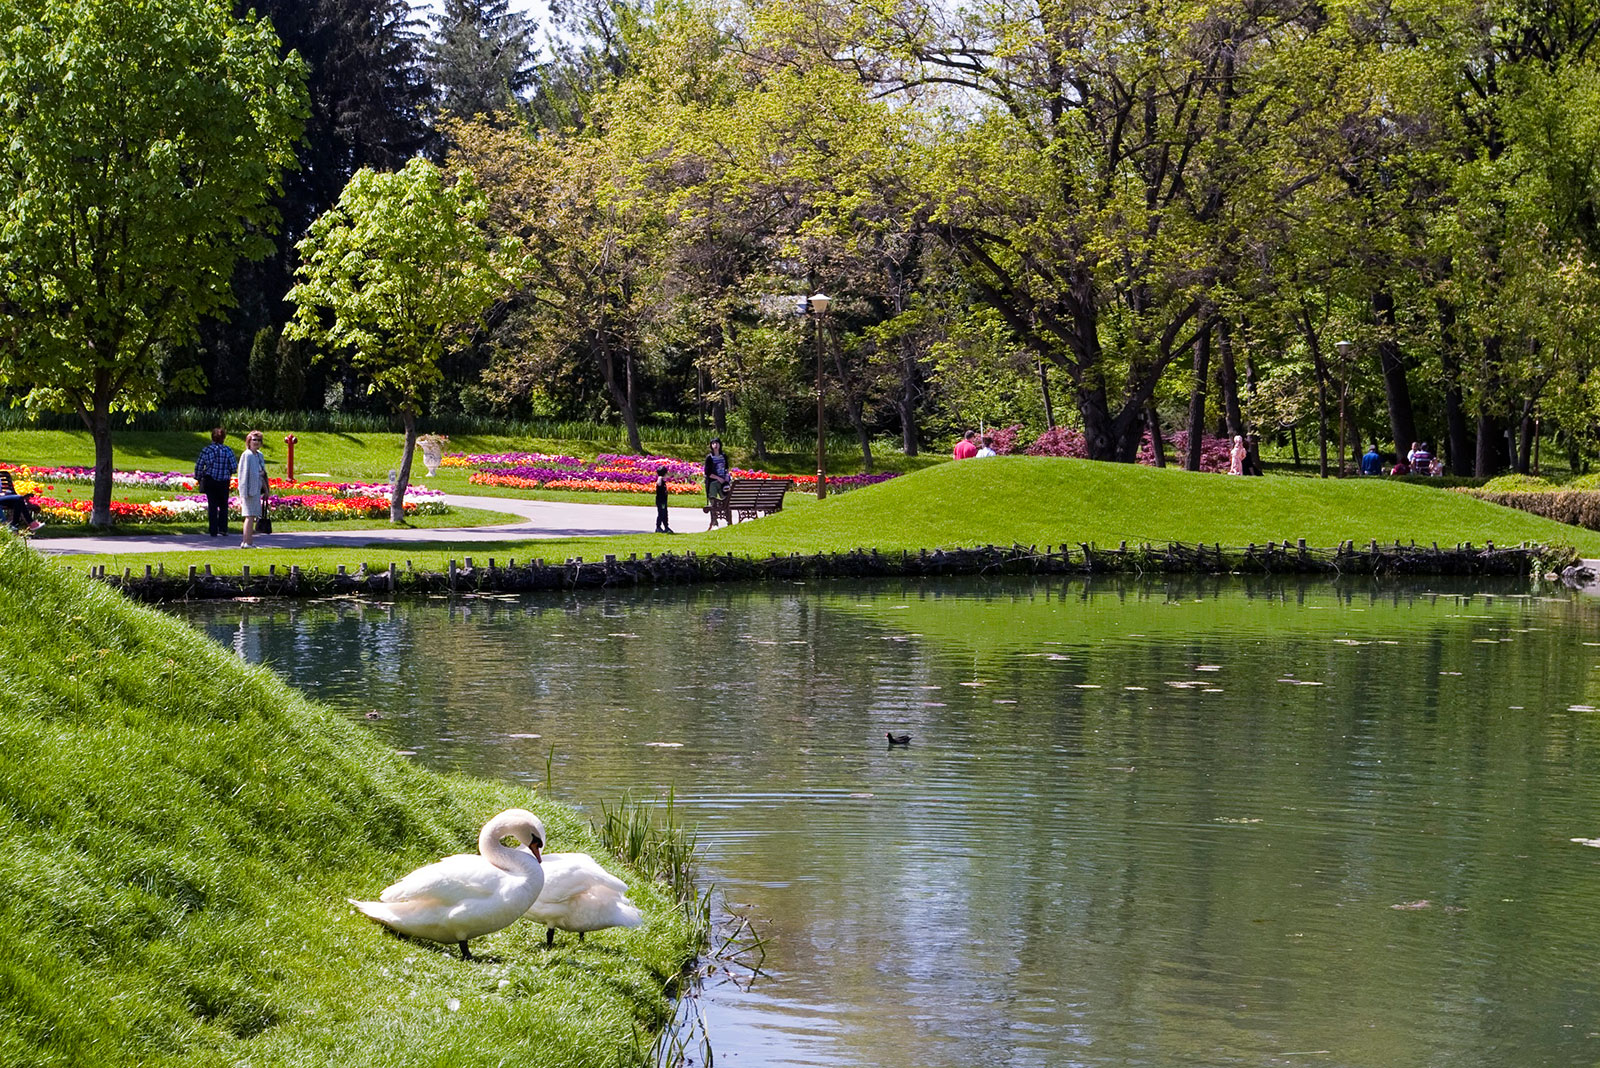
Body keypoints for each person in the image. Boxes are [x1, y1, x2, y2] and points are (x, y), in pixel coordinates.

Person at [193, 427, 236, 537]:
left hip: (210, 480)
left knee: (212, 505)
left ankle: (213, 529)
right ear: (224, 438)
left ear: (212, 437)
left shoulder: (207, 450)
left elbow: (199, 465)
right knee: (223, 505)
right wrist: (228, 472)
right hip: (224, 481)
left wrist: (198, 477)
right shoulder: (228, 450)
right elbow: (234, 467)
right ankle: (223, 528)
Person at [237, 430, 267, 547]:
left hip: (257, 489)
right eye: (254, 440)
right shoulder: (247, 455)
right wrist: (243, 492)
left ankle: (248, 541)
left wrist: (266, 489)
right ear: (249, 441)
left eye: (259, 440)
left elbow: (263, 473)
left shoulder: (259, 455)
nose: (257, 442)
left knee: (252, 515)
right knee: (249, 516)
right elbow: (243, 475)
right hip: (249, 490)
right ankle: (247, 542)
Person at [704, 438, 730, 530]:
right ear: (711, 445)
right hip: (713, 483)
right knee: (713, 502)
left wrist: (726, 476)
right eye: (713, 443)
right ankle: (714, 521)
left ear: (720, 444)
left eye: (717, 443)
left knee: (726, 500)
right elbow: (707, 472)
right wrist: (718, 478)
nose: (715, 445)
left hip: (723, 483)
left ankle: (728, 520)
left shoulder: (723, 456)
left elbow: (726, 468)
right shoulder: (709, 457)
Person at [654, 464, 674, 534]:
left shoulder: (663, 481)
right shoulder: (660, 480)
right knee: (661, 513)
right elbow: (658, 483)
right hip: (661, 501)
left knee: (665, 514)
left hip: (664, 500)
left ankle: (666, 527)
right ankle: (658, 527)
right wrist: (660, 477)